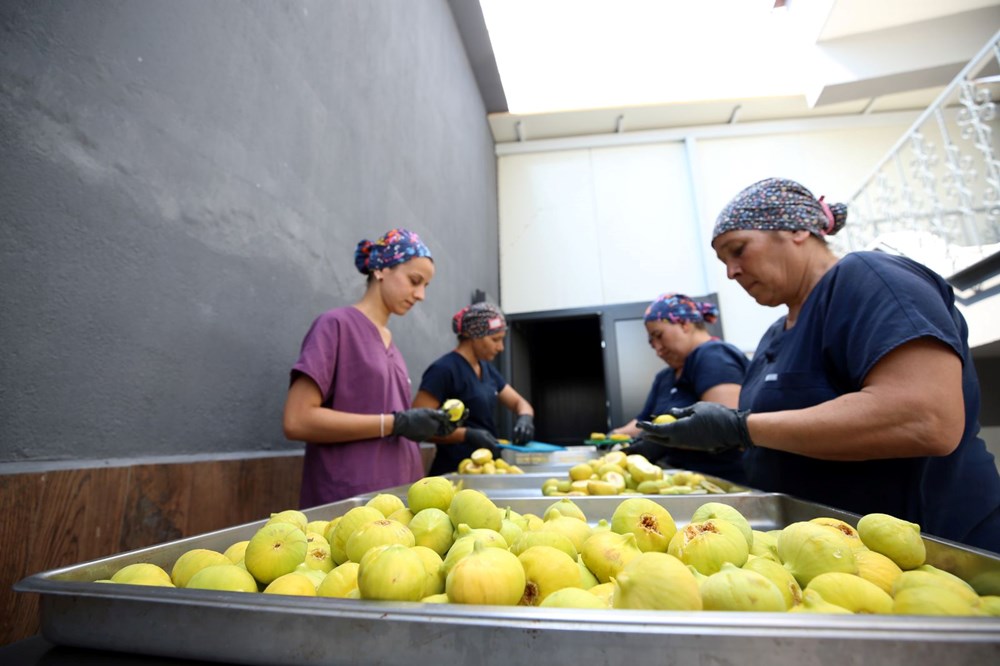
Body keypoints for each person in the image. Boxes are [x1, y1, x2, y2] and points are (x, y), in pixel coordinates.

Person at [638, 177, 1000, 552]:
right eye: (724, 261)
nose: (731, 272)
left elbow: (926, 419)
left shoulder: (871, 279)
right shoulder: (776, 335)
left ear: (796, 230)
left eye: (738, 250)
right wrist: (693, 438)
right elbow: (780, 435)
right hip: (827, 551)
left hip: (930, 549)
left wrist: (740, 428)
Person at [283, 228, 459, 508]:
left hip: (401, 498)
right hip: (352, 503)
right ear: (381, 269)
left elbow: (389, 414)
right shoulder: (335, 326)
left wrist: (426, 423)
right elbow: (297, 419)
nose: (421, 295)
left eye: (426, 285)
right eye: (415, 281)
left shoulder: (391, 343)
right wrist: (395, 422)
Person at [612, 293, 749, 482]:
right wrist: (615, 436)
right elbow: (643, 422)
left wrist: (665, 442)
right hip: (678, 478)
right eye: (652, 344)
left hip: (718, 480)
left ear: (684, 323)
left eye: (659, 336)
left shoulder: (713, 357)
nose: (658, 349)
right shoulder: (665, 377)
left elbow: (727, 429)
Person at [413, 302, 535, 475]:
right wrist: (466, 435)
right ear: (474, 336)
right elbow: (417, 426)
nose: (501, 347)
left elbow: (519, 402)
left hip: (487, 470)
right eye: (495, 339)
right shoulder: (444, 370)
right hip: (455, 470)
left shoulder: (487, 369)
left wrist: (525, 418)